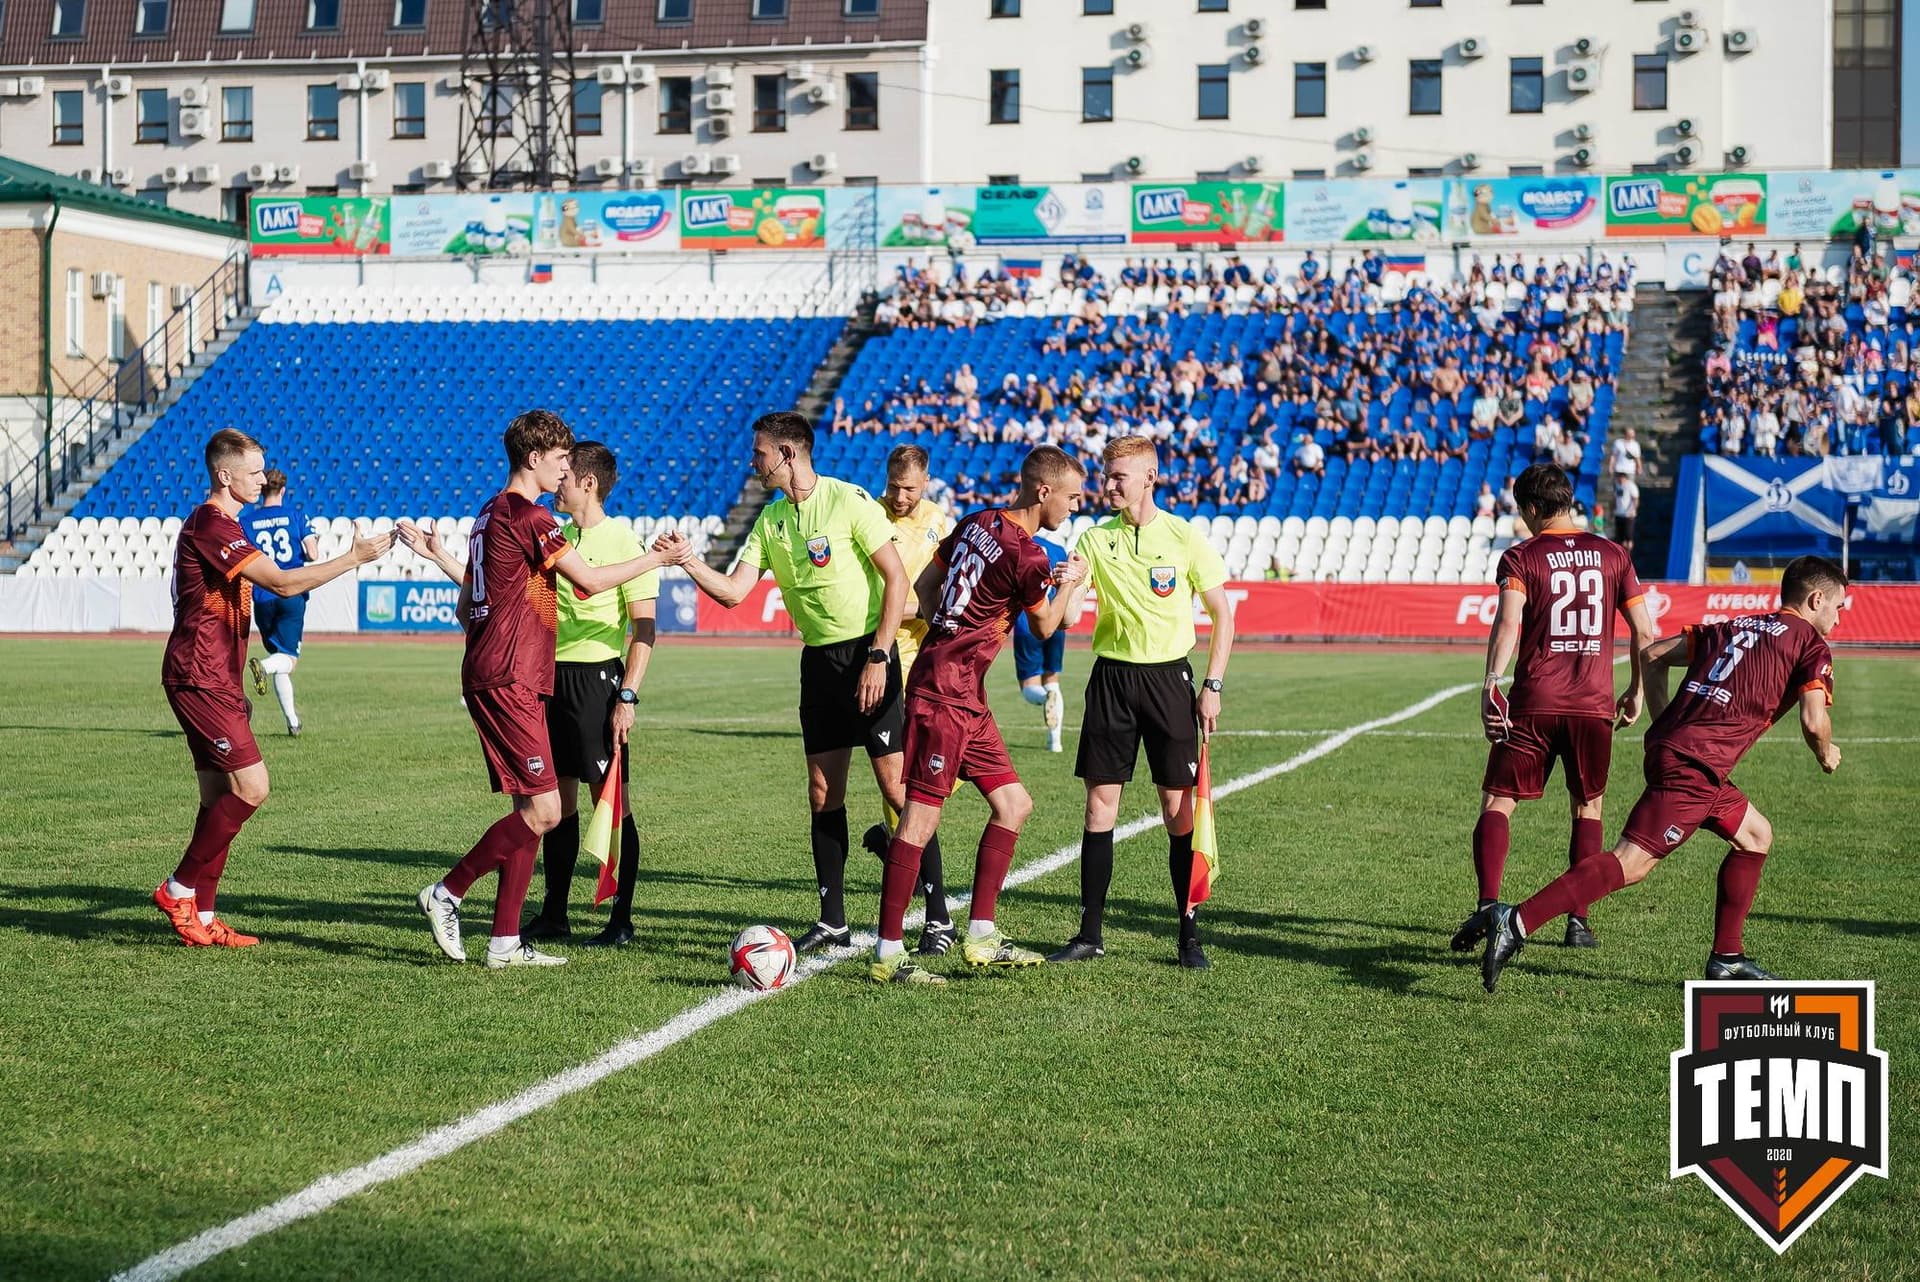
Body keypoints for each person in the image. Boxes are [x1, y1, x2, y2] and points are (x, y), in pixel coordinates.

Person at [1479, 555, 1846, 992]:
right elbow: (1813, 721)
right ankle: (1516, 921)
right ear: (1816, 598)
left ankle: (1727, 958)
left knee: (1756, 836)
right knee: (1631, 864)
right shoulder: (1810, 644)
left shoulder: (1736, 625)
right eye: (1838, 607)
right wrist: (1826, 753)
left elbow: (1653, 655)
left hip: (1683, 755)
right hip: (1695, 766)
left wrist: (1664, 721)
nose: (1839, 619)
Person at [412, 411, 671, 970]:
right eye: (558, 460)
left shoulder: (489, 514)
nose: (563, 471)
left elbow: (468, 605)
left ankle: (506, 941)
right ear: (535, 459)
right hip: (513, 676)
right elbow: (593, 581)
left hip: (518, 672)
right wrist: (661, 557)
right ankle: (449, 891)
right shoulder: (531, 518)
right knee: (548, 810)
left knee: (534, 806)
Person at [659, 411, 913, 952]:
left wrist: (879, 654)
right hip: (819, 667)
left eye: (759, 453)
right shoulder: (770, 521)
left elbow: (897, 577)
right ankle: (833, 919)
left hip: (869, 656)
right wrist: (687, 560)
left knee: (897, 789)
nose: (753, 462)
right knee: (823, 792)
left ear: (788, 454)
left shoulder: (849, 500)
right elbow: (732, 593)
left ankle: (936, 917)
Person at [152, 430, 389, 947]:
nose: (263, 479)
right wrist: (353, 558)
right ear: (225, 475)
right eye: (255, 471)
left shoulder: (225, 524)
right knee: (253, 787)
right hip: (200, 674)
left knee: (218, 800)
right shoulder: (211, 525)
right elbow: (281, 583)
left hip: (216, 674)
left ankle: (206, 918)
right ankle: (178, 889)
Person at [870, 447, 1090, 984]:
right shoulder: (1029, 554)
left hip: (962, 690)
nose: (1075, 506)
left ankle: (982, 935)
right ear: (1044, 492)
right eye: (1072, 496)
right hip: (946, 692)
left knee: (1014, 804)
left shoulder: (976, 522)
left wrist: (947, 625)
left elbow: (926, 588)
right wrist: (1072, 582)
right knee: (920, 818)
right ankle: (888, 953)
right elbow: (1044, 628)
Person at [1448, 464, 1654, 956]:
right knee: (1588, 807)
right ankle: (1578, 921)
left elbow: (1508, 624)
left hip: (1535, 701)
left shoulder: (1521, 556)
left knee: (1498, 802)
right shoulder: (1613, 554)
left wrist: (1491, 682)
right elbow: (1645, 632)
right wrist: (1638, 690)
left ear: (1534, 509)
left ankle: (1490, 905)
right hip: (1593, 703)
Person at [1049, 436, 1236, 969]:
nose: (1107, 486)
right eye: (1107, 475)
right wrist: (1068, 583)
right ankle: (1089, 934)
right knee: (1098, 807)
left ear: (1149, 478)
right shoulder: (1092, 540)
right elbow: (1065, 620)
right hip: (1111, 680)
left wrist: (1212, 686)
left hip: (1169, 684)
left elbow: (1224, 615)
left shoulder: (1183, 537)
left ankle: (1188, 935)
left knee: (1178, 814)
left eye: (1117, 477)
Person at [856, 443, 958, 953]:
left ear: (927, 483)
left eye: (910, 489)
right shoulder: (865, 514)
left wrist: (911, 606)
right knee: (906, 785)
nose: (899, 496)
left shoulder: (943, 523)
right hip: (877, 659)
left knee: (930, 785)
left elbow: (943, 596)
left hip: (925, 664)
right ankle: (934, 910)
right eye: (894, 486)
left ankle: (891, 847)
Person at [238, 469, 325, 737]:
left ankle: (292, 722)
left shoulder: (247, 522)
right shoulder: (297, 516)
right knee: (287, 659)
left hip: (262, 597)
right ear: (283, 490)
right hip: (291, 592)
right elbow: (313, 553)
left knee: (281, 656)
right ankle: (263, 666)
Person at [1013, 529, 1071, 752]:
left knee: (1030, 687)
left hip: (1028, 621)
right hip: (1055, 619)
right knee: (1053, 679)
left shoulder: (1020, 547)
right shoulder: (1058, 550)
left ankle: (1046, 697)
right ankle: (1054, 742)